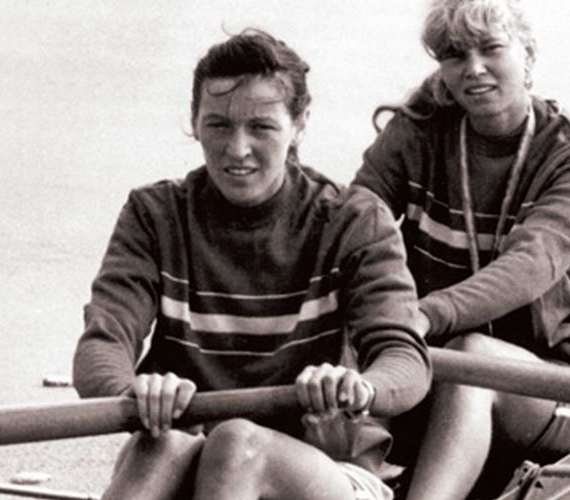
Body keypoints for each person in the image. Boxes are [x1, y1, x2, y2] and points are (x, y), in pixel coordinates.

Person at [73, 28, 431, 500]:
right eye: (218, 125)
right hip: (193, 457)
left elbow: (405, 359)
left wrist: (359, 387)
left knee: (237, 444)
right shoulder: (154, 215)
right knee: (163, 445)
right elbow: (102, 345)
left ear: (299, 124)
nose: (237, 148)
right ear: (194, 122)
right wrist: (131, 392)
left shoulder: (354, 220)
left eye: (261, 127)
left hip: (332, 470)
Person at [352, 0, 570, 498]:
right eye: (455, 55)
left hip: (553, 389)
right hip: (423, 364)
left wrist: (422, 316)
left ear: (528, 55)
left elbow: (529, 267)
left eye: (490, 49)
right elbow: (353, 228)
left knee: (472, 356)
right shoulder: (416, 132)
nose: (473, 68)